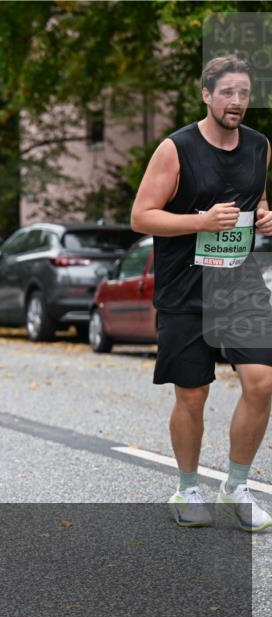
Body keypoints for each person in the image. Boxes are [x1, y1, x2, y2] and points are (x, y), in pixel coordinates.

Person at [131, 55, 272, 532]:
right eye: (227, 92)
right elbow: (142, 216)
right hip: (187, 288)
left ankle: (236, 486)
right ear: (207, 95)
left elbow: (256, 199)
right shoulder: (176, 149)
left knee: (263, 382)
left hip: (241, 285)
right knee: (192, 395)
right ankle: (187, 486)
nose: (236, 102)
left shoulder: (259, 146)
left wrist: (266, 216)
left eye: (244, 94)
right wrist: (200, 221)